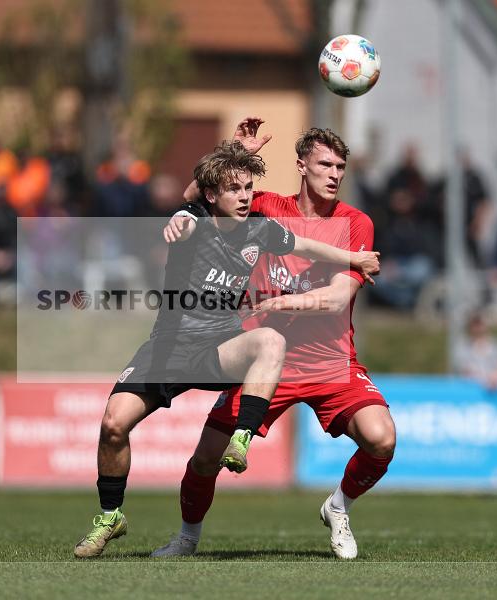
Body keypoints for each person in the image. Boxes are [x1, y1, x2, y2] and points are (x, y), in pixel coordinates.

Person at [72, 140, 379, 558]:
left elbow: (306, 247)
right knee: (113, 425)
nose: (245, 197)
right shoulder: (193, 221)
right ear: (211, 194)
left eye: (249, 188)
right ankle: (111, 516)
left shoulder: (261, 228)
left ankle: (243, 437)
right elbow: (185, 209)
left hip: (220, 348)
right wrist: (179, 218)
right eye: (234, 190)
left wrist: (352, 258)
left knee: (270, 341)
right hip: (169, 349)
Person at [152, 119, 396, 560]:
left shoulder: (355, 223)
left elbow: (339, 297)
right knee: (206, 457)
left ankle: (338, 506)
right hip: (264, 362)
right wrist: (233, 154)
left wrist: (277, 303)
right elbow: (194, 197)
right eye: (325, 164)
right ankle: (186, 541)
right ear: (301, 165)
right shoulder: (264, 205)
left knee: (382, 439)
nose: (335, 174)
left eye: (341, 166)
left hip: (329, 363)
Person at [451, 313, 497, 391]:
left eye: (480, 324)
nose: (478, 328)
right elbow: (463, 371)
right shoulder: (462, 346)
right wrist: (485, 380)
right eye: (475, 325)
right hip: (471, 391)